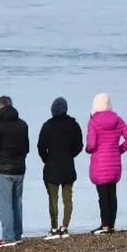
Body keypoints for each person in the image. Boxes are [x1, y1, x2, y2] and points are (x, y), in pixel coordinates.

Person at [86, 93, 127, 234]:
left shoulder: (93, 122)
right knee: (112, 194)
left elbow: (91, 145)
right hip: (114, 163)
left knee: (102, 196)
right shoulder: (118, 120)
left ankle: (104, 225)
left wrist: (88, 149)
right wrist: (118, 150)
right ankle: (111, 224)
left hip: (99, 163)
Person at [0, 95, 29, 247]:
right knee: (17, 202)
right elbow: (26, 148)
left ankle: (8, 237)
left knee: (4, 205)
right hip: (19, 169)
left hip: (2, 170)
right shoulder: (22, 124)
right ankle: (17, 234)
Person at [37, 96, 84, 239]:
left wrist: (46, 159)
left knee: (53, 199)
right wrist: (70, 155)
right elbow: (79, 146)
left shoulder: (47, 126)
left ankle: (54, 228)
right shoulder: (74, 125)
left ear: (52, 111)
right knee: (67, 199)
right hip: (68, 166)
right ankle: (65, 227)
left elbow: (40, 147)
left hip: (51, 167)